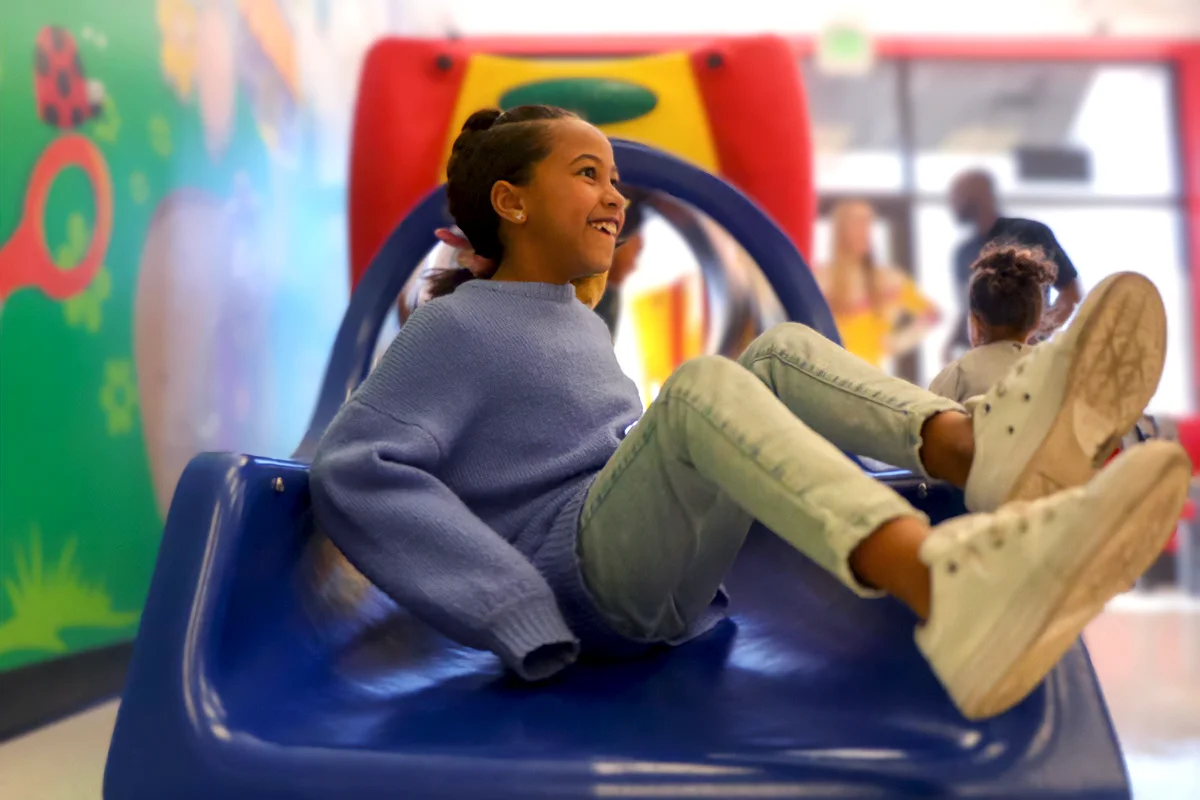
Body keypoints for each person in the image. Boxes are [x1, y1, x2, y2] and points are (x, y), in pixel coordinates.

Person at [310, 105, 1186, 722]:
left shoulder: (571, 318)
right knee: (699, 388)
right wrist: (506, 605)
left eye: (616, 180)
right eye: (588, 175)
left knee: (776, 351)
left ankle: (973, 448)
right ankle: (944, 587)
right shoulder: (455, 325)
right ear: (512, 201)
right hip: (577, 585)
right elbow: (355, 465)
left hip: (643, 573)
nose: (616, 196)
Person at [944, 170, 1083, 363]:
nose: (952, 202)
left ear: (981, 192)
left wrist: (1039, 334)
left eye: (958, 194)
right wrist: (948, 347)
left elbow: (1070, 291)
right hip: (983, 363)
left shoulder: (1030, 233)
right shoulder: (962, 254)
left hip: (1027, 360)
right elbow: (968, 307)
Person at [817, 200, 939, 370]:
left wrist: (898, 342)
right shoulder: (821, 278)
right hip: (828, 377)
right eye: (856, 223)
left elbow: (932, 314)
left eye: (867, 223)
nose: (864, 231)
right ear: (840, 230)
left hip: (872, 380)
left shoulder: (888, 279)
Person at [929, 244, 1057, 403]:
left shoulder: (958, 372)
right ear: (1037, 321)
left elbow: (928, 418)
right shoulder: (1052, 369)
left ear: (976, 321)